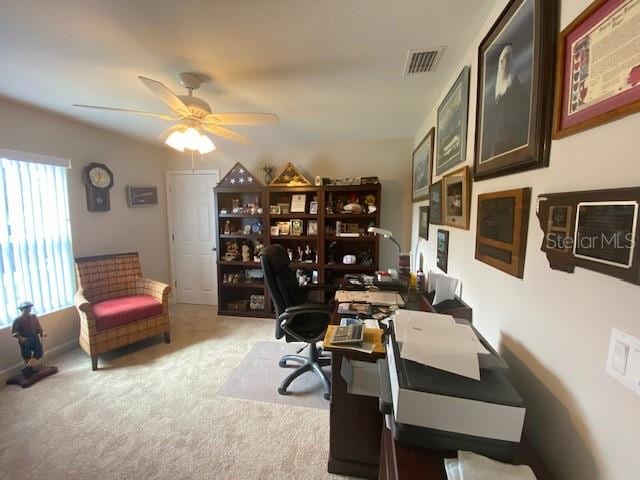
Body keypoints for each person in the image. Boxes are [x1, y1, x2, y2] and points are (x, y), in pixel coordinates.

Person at [487, 44, 530, 159]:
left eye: (507, 60)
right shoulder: (498, 93)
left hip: (513, 144)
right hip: (499, 145)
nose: (504, 65)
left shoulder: (517, 90)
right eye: (502, 61)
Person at [11, 301, 43, 378]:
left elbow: (38, 327)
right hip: (25, 339)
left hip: (34, 337)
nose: (29, 309)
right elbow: (14, 332)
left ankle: (27, 368)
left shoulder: (33, 317)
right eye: (26, 308)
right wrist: (20, 338)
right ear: (22, 309)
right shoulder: (17, 320)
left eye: (30, 307)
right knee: (26, 355)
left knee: (39, 352)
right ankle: (29, 370)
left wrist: (41, 333)